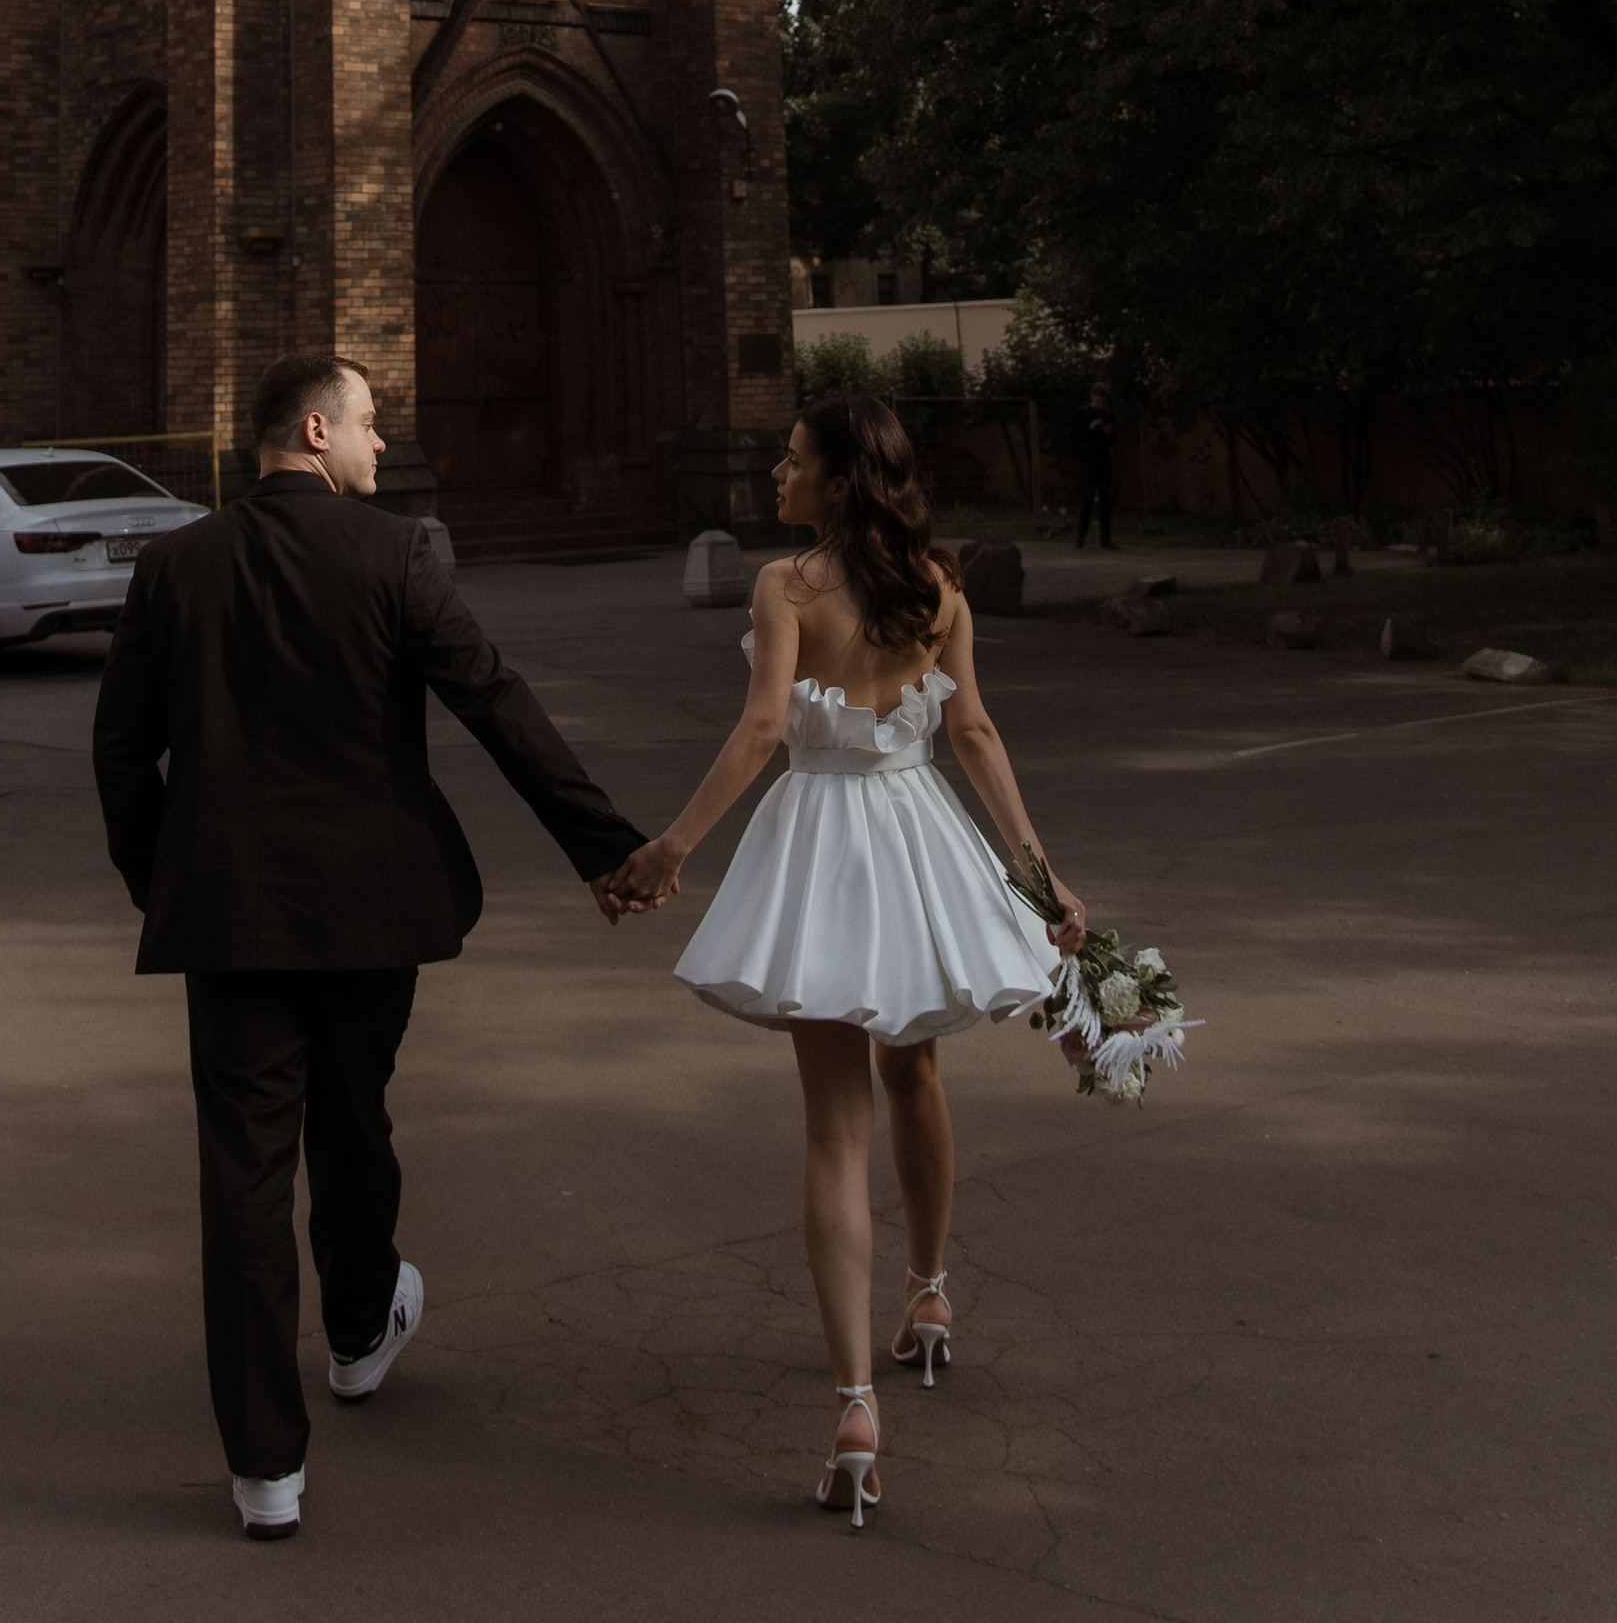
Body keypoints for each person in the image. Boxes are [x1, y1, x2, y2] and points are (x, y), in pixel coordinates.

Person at [92, 352, 644, 1543]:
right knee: (354, 1120)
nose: (382, 446)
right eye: (371, 424)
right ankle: (354, 1334)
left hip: (228, 913)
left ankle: (263, 1471)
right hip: (373, 906)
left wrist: (165, 882)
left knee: (244, 1176)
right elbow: (495, 702)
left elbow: (121, 752)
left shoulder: (174, 568)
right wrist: (603, 849)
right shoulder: (397, 556)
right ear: (311, 428)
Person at [605, 391, 1085, 1527]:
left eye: (790, 460)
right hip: (917, 839)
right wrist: (1036, 874)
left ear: (834, 481)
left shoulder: (786, 588)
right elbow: (971, 732)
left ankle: (856, 1406)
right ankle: (926, 1295)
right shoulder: (940, 586)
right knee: (914, 1070)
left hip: (822, 843)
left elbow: (764, 731)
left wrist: (672, 846)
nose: (777, 476)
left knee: (834, 1128)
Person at [1074, 378, 1118, 550]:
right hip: (1089, 457)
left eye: (1103, 397)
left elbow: (1114, 438)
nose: (1100, 400)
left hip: (1103, 457)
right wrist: (1090, 428)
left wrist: (1109, 432)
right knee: (1088, 497)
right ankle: (1081, 536)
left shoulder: (1108, 415)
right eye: (1098, 396)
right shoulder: (1083, 413)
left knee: (1106, 498)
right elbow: (1075, 436)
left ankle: (1105, 539)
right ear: (1092, 396)